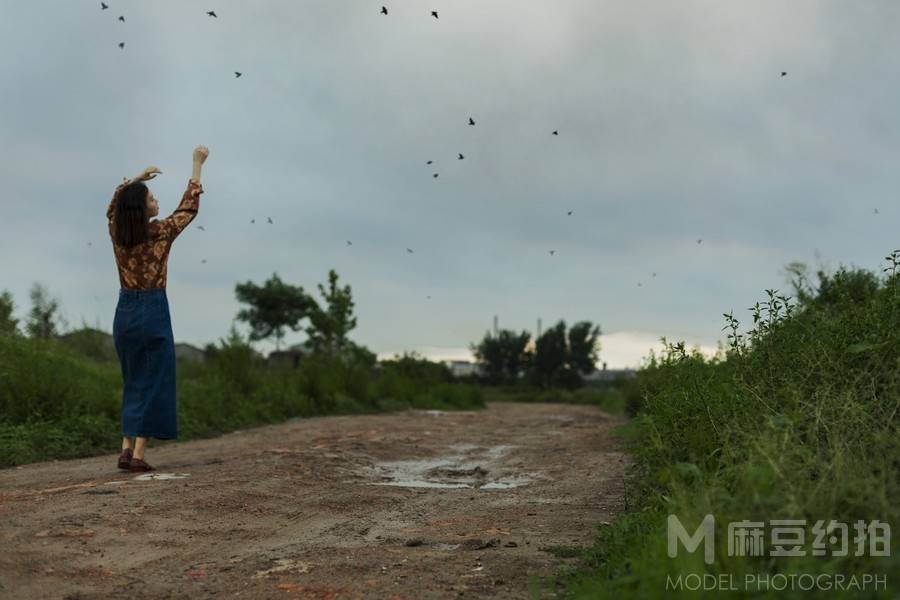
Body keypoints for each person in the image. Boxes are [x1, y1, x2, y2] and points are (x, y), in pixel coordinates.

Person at [107, 145, 209, 472]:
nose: (156, 202)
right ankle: (138, 455)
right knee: (155, 379)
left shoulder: (116, 232)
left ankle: (125, 447)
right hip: (152, 309)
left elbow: (113, 206)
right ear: (142, 209)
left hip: (124, 310)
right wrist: (197, 164)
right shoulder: (160, 232)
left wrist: (135, 179)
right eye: (151, 198)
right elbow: (188, 209)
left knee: (133, 378)